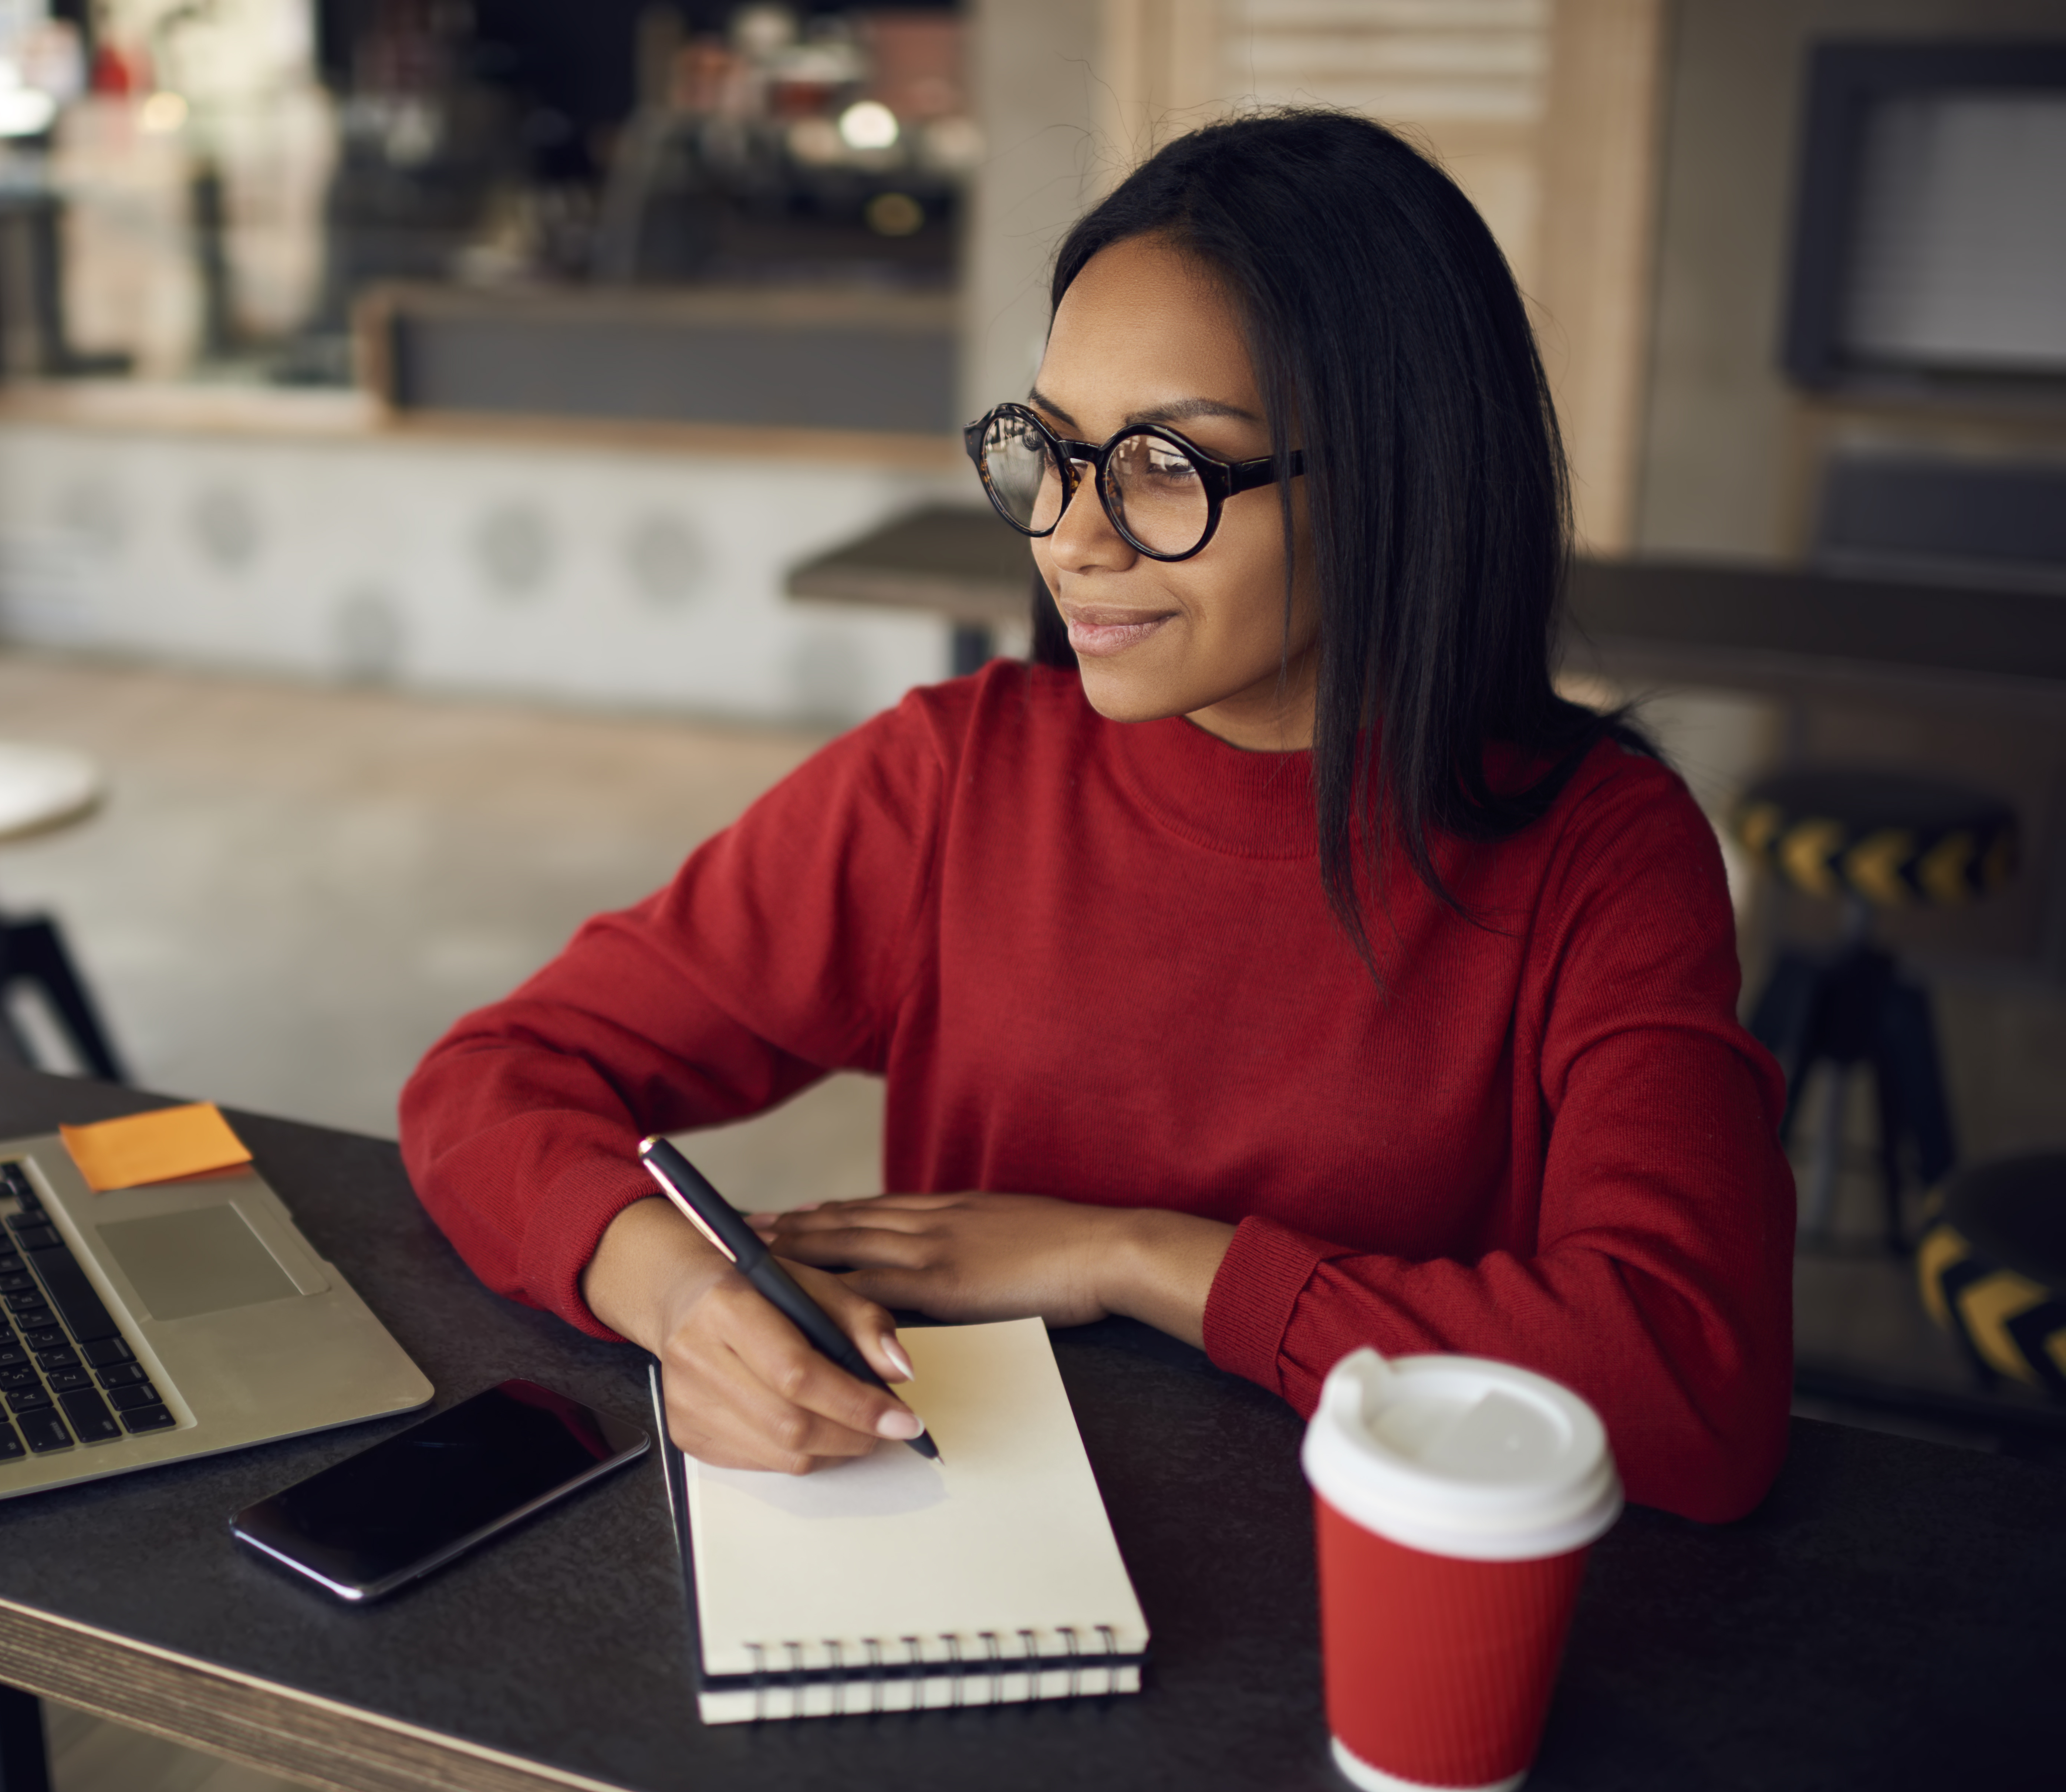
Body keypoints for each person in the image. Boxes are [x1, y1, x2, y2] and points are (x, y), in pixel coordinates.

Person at [398, 109, 1795, 1524]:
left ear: (1397, 474)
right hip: (972, 1567)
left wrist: (1132, 1256)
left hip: (1362, 1592)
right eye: (1052, 450)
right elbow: (493, 1077)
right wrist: (678, 1295)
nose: (1070, 535)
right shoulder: (951, 783)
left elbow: (1689, 1383)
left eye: (1170, 464)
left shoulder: (1601, 854)